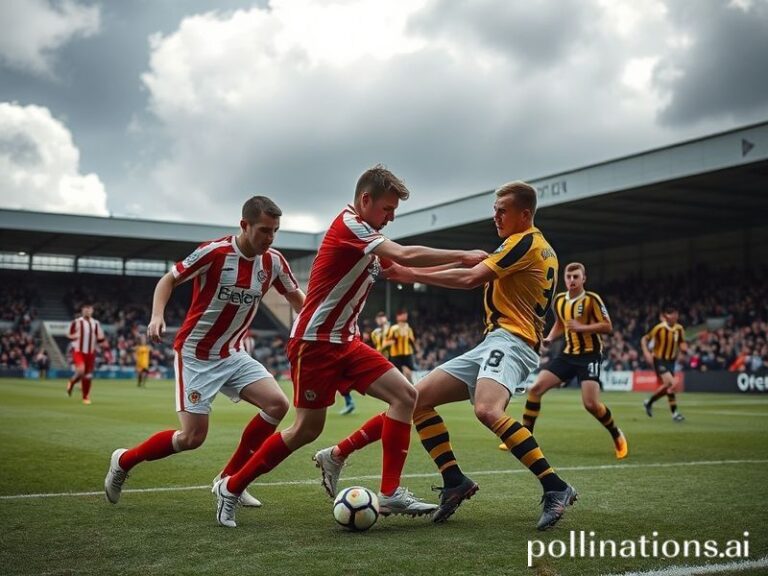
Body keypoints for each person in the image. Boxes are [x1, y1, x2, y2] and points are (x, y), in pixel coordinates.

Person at [212, 164, 486, 528]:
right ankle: (231, 487)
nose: (390, 218)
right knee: (305, 430)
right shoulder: (350, 225)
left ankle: (389, 492)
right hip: (315, 342)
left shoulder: (369, 237)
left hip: (346, 340)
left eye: (394, 212)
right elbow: (403, 255)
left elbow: (401, 269)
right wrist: (461, 255)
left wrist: (465, 278)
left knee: (406, 395)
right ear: (365, 199)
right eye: (387, 209)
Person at [386, 181, 577, 530]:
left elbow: (472, 277)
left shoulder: (525, 242)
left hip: (513, 340)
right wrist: (412, 272)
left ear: (525, 213)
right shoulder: (526, 244)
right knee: (417, 399)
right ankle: (454, 480)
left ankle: (556, 487)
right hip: (494, 341)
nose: (495, 216)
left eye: (502, 210)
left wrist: (411, 273)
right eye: (494, 209)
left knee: (488, 410)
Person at [104, 196, 305, 511]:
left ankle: (230, 480)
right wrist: (157, 316)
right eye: (264, 230)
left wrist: (322, 325)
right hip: (196, 354)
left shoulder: (274, 262)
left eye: (275, 232)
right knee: (192, 438)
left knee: (277, 404)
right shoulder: (215, 252)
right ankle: (124, 460)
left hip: (232, 353)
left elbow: (296, 297)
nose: (269, 238)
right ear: (244, 225)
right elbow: (168, 280)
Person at [516, 262, 627, 459]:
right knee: (535, 390)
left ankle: (617, 435)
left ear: (584, 279)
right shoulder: (559, 300)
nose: (572, 280)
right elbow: (561, 324)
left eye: (576, 277)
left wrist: (582, 327)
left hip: (590, 355)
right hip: (568, 355)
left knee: (591, 404)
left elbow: (608, 327)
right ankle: (525, 439)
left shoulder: (592, 299)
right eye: (569, 277)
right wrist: (550, 338)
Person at [642, 305, 687, 422]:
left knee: (668, 387)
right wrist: (646, 353)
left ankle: (649, 402)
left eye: (677, 314)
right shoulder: (659, 328)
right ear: (667, 316)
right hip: (659, 360)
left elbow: (682, 343)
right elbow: (644, 339)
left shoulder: (679, 329)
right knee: (671, 384)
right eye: (673, 314)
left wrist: (684, 350)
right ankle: (675, 413)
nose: (676, 317)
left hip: (672, 361)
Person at [66, 302, 109, 404]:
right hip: (79, 351)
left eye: (89, 308)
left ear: (92, 310)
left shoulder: (96, 323)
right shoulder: (76, 322)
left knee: (88, 376)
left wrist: (103, 342)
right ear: (82, 310)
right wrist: (74, 336)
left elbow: (100, 338)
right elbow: (69, 334)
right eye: (85, 308)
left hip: (91, 353)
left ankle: (85, 397)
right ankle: (72, 382)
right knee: (81, 370)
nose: (87, 310)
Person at [387, 309, 417, 383]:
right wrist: (393, 341)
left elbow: (412, 341)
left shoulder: (408, 328)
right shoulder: (393, 329)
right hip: (396, 354)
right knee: (398, 372)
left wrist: (415, 350)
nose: (405, 315)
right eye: (402, 314)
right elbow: (388, 341)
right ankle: (405, 385)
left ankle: (411, 385)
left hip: (407, 353)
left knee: (408, 370)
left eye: (405, 314)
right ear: (398, 317)